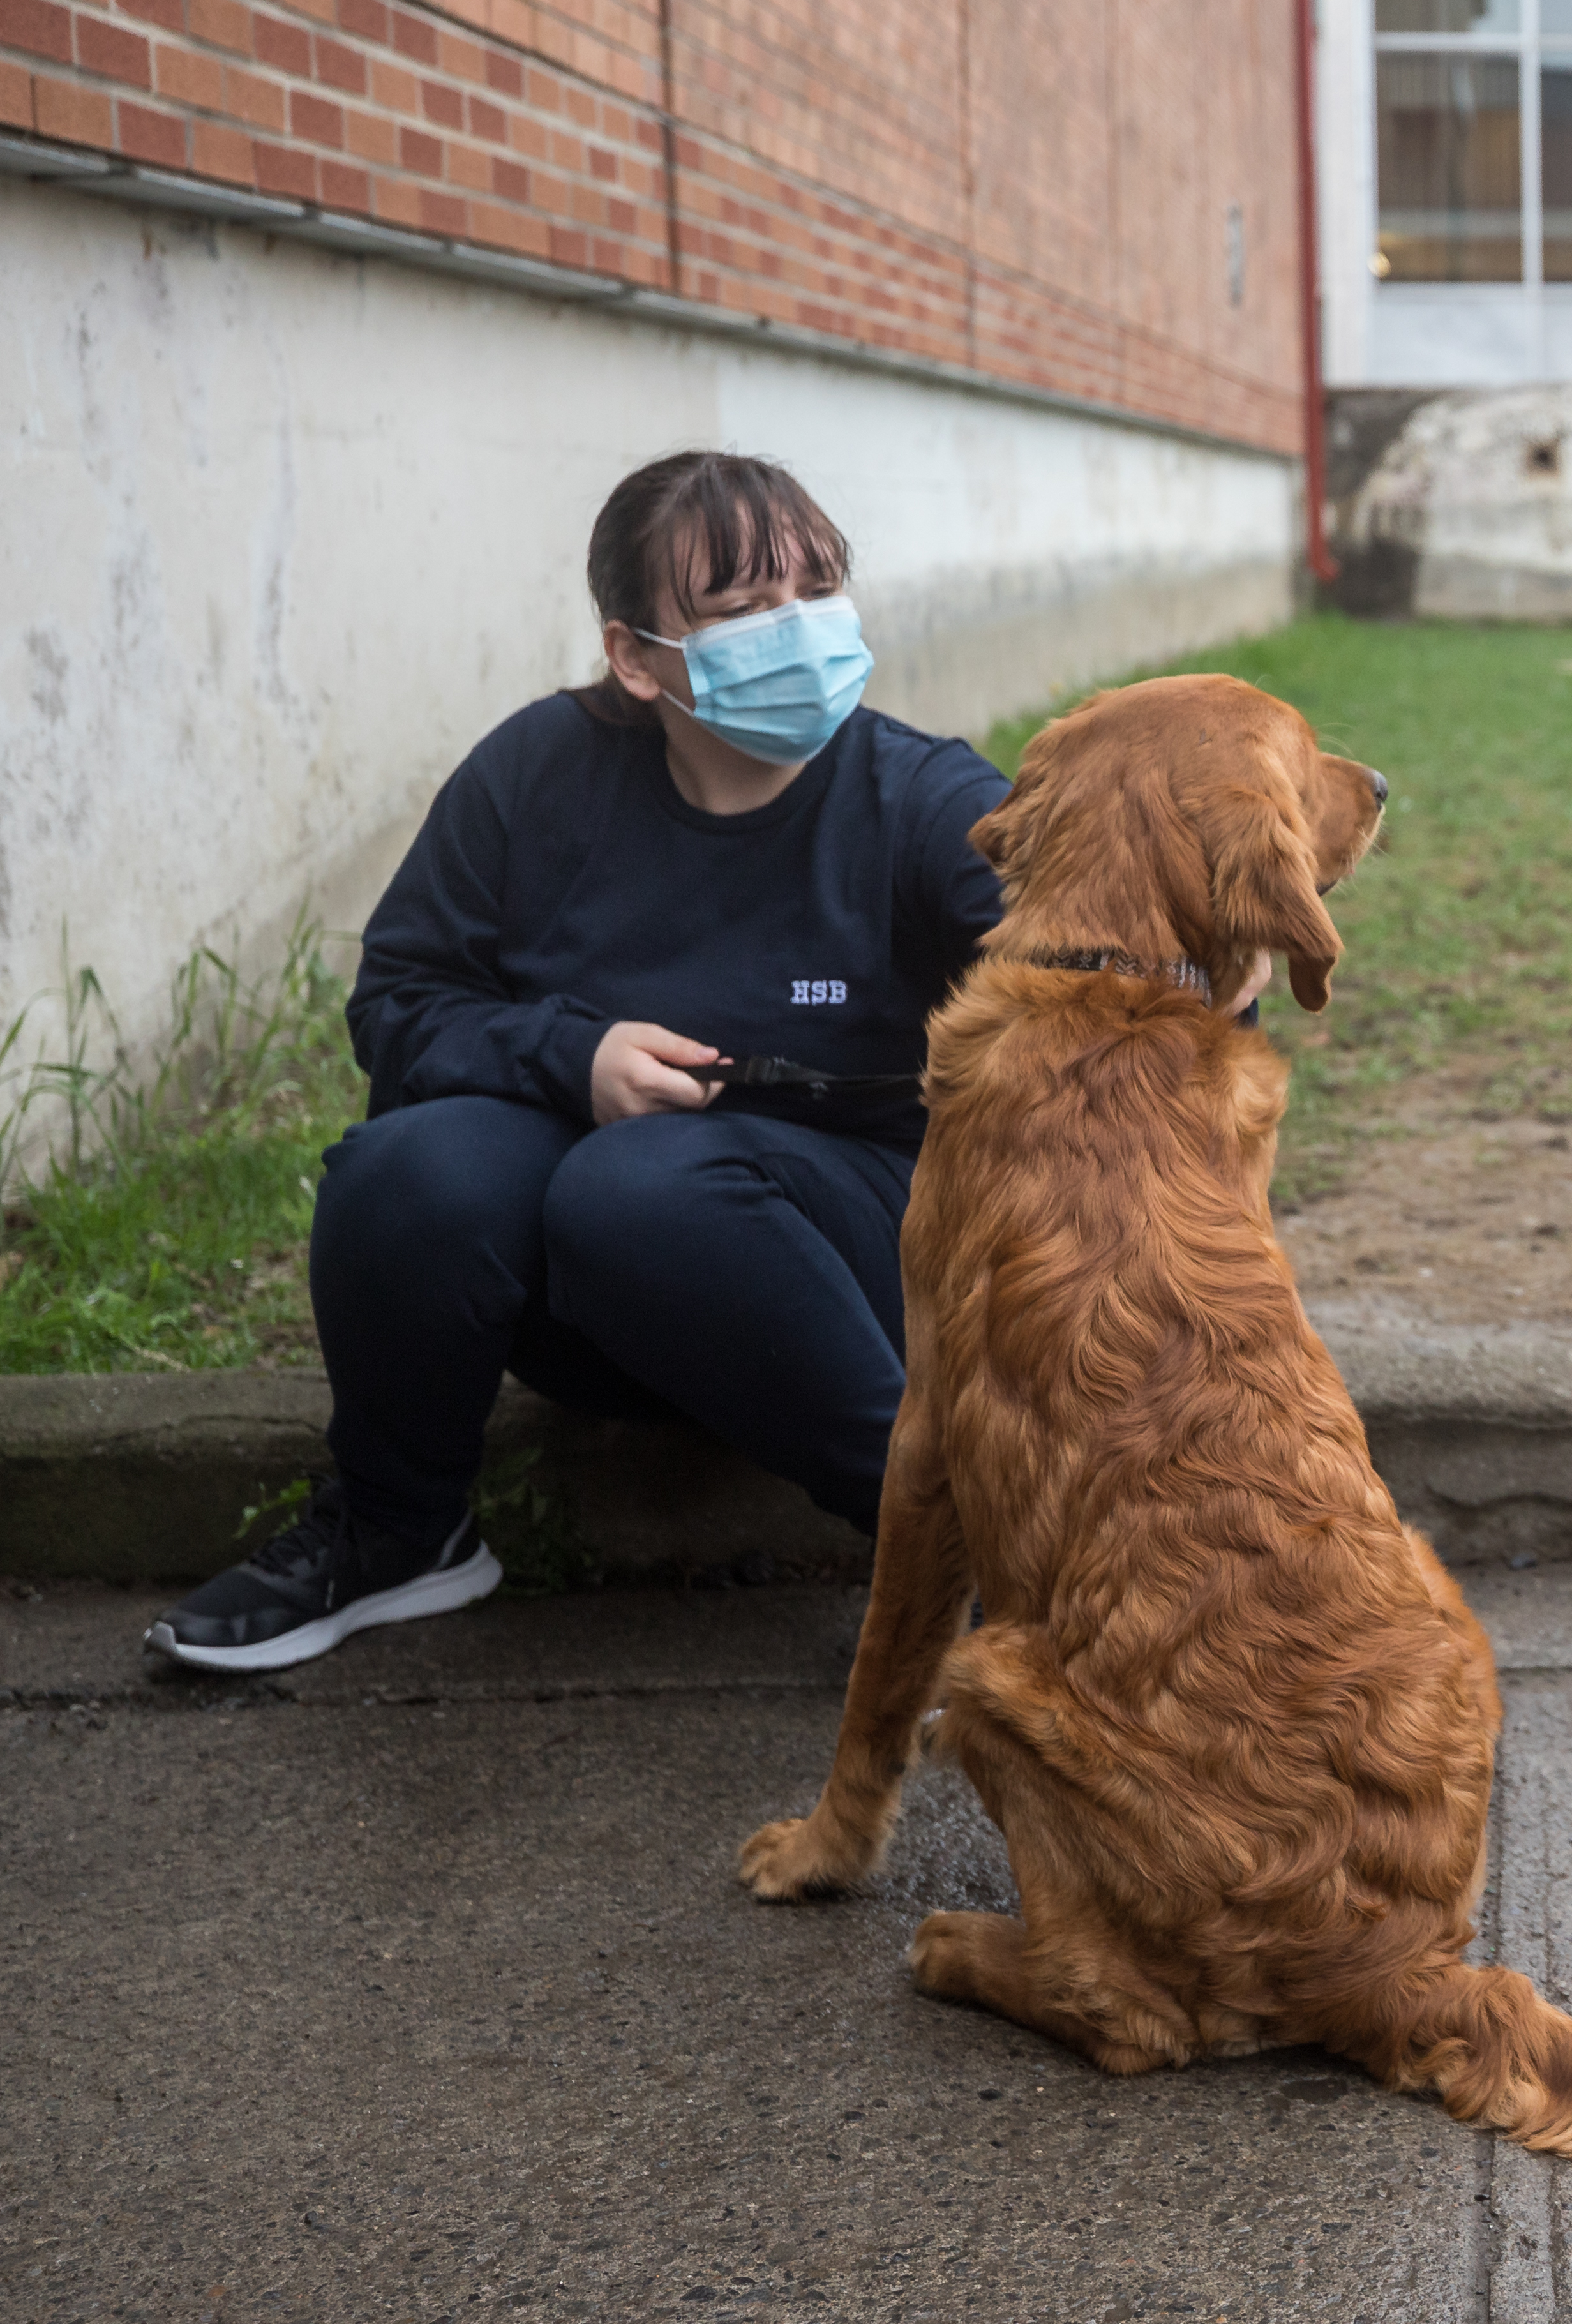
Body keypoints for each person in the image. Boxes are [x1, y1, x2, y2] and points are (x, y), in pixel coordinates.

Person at [149, 452, 1015, 1671]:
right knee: (404, 1172)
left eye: (818, 590)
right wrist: (573, 1052)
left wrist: (1198, 960)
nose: (800, 631)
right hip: (593, 1294)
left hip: (855, 1277)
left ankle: (964, 1544)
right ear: (636, 655)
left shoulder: (921, 796)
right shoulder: (536, 776)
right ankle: (401, 1531)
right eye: (742, 610)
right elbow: (399, 999)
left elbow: (1090, 964)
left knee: (641, 1188)